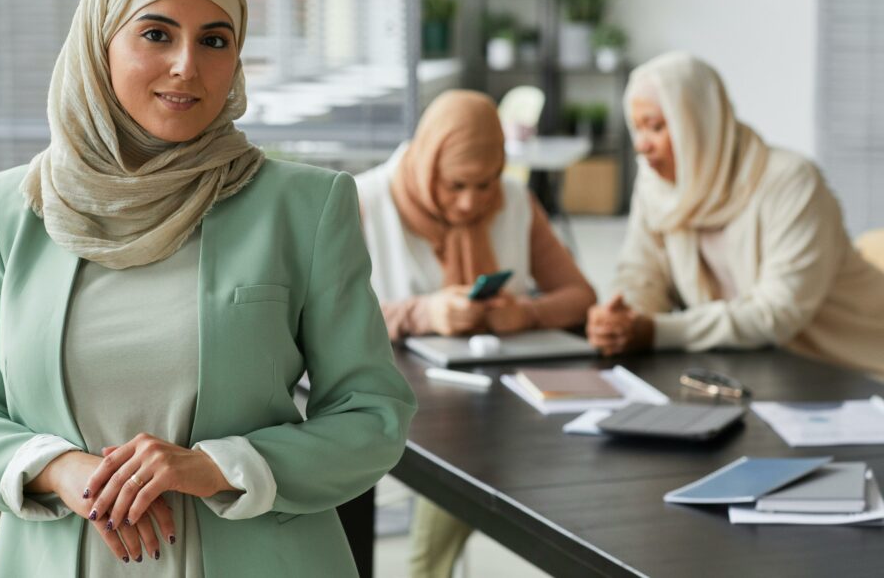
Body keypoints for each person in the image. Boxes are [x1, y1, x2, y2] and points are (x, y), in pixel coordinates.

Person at [0, 0, 416, 577]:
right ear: (100, 43)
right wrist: (62, 470)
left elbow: (372, 415)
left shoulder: (304, 207)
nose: (187, 64)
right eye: (156, 34)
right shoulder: (14, 208)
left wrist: (218, 466)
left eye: (215, 41)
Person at [355, 89, 595, 578]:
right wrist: (422, 313)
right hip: (391, 399)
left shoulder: (514, 200)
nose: (471, 202)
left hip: (492, 401)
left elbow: (580, 296)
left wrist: (525, 314)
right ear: (428, 163)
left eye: (485, 184)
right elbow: (315, 318)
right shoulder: (363, 201)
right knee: (461, 450)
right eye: (456, 185)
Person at [587, 51, 884, 379]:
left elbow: (778, 312)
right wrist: (622, 319)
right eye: (637, 129)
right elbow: (641, 274)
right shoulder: (657, 186)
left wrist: (656, 332)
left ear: (698, 122)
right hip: (764, 370)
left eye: (655, 127)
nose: (641, 146)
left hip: (853, 369)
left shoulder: (791, 182)